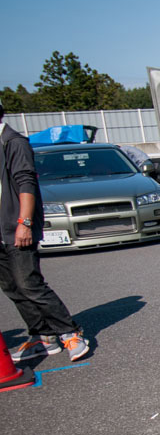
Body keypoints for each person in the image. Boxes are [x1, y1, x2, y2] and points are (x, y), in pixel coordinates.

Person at [0, 101, 89, 361]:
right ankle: (43, 336)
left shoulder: (13, 142)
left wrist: (24, 223)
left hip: (15, 226)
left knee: (29, 284)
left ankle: (70, 333)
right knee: (12, 288)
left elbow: (26, 182)